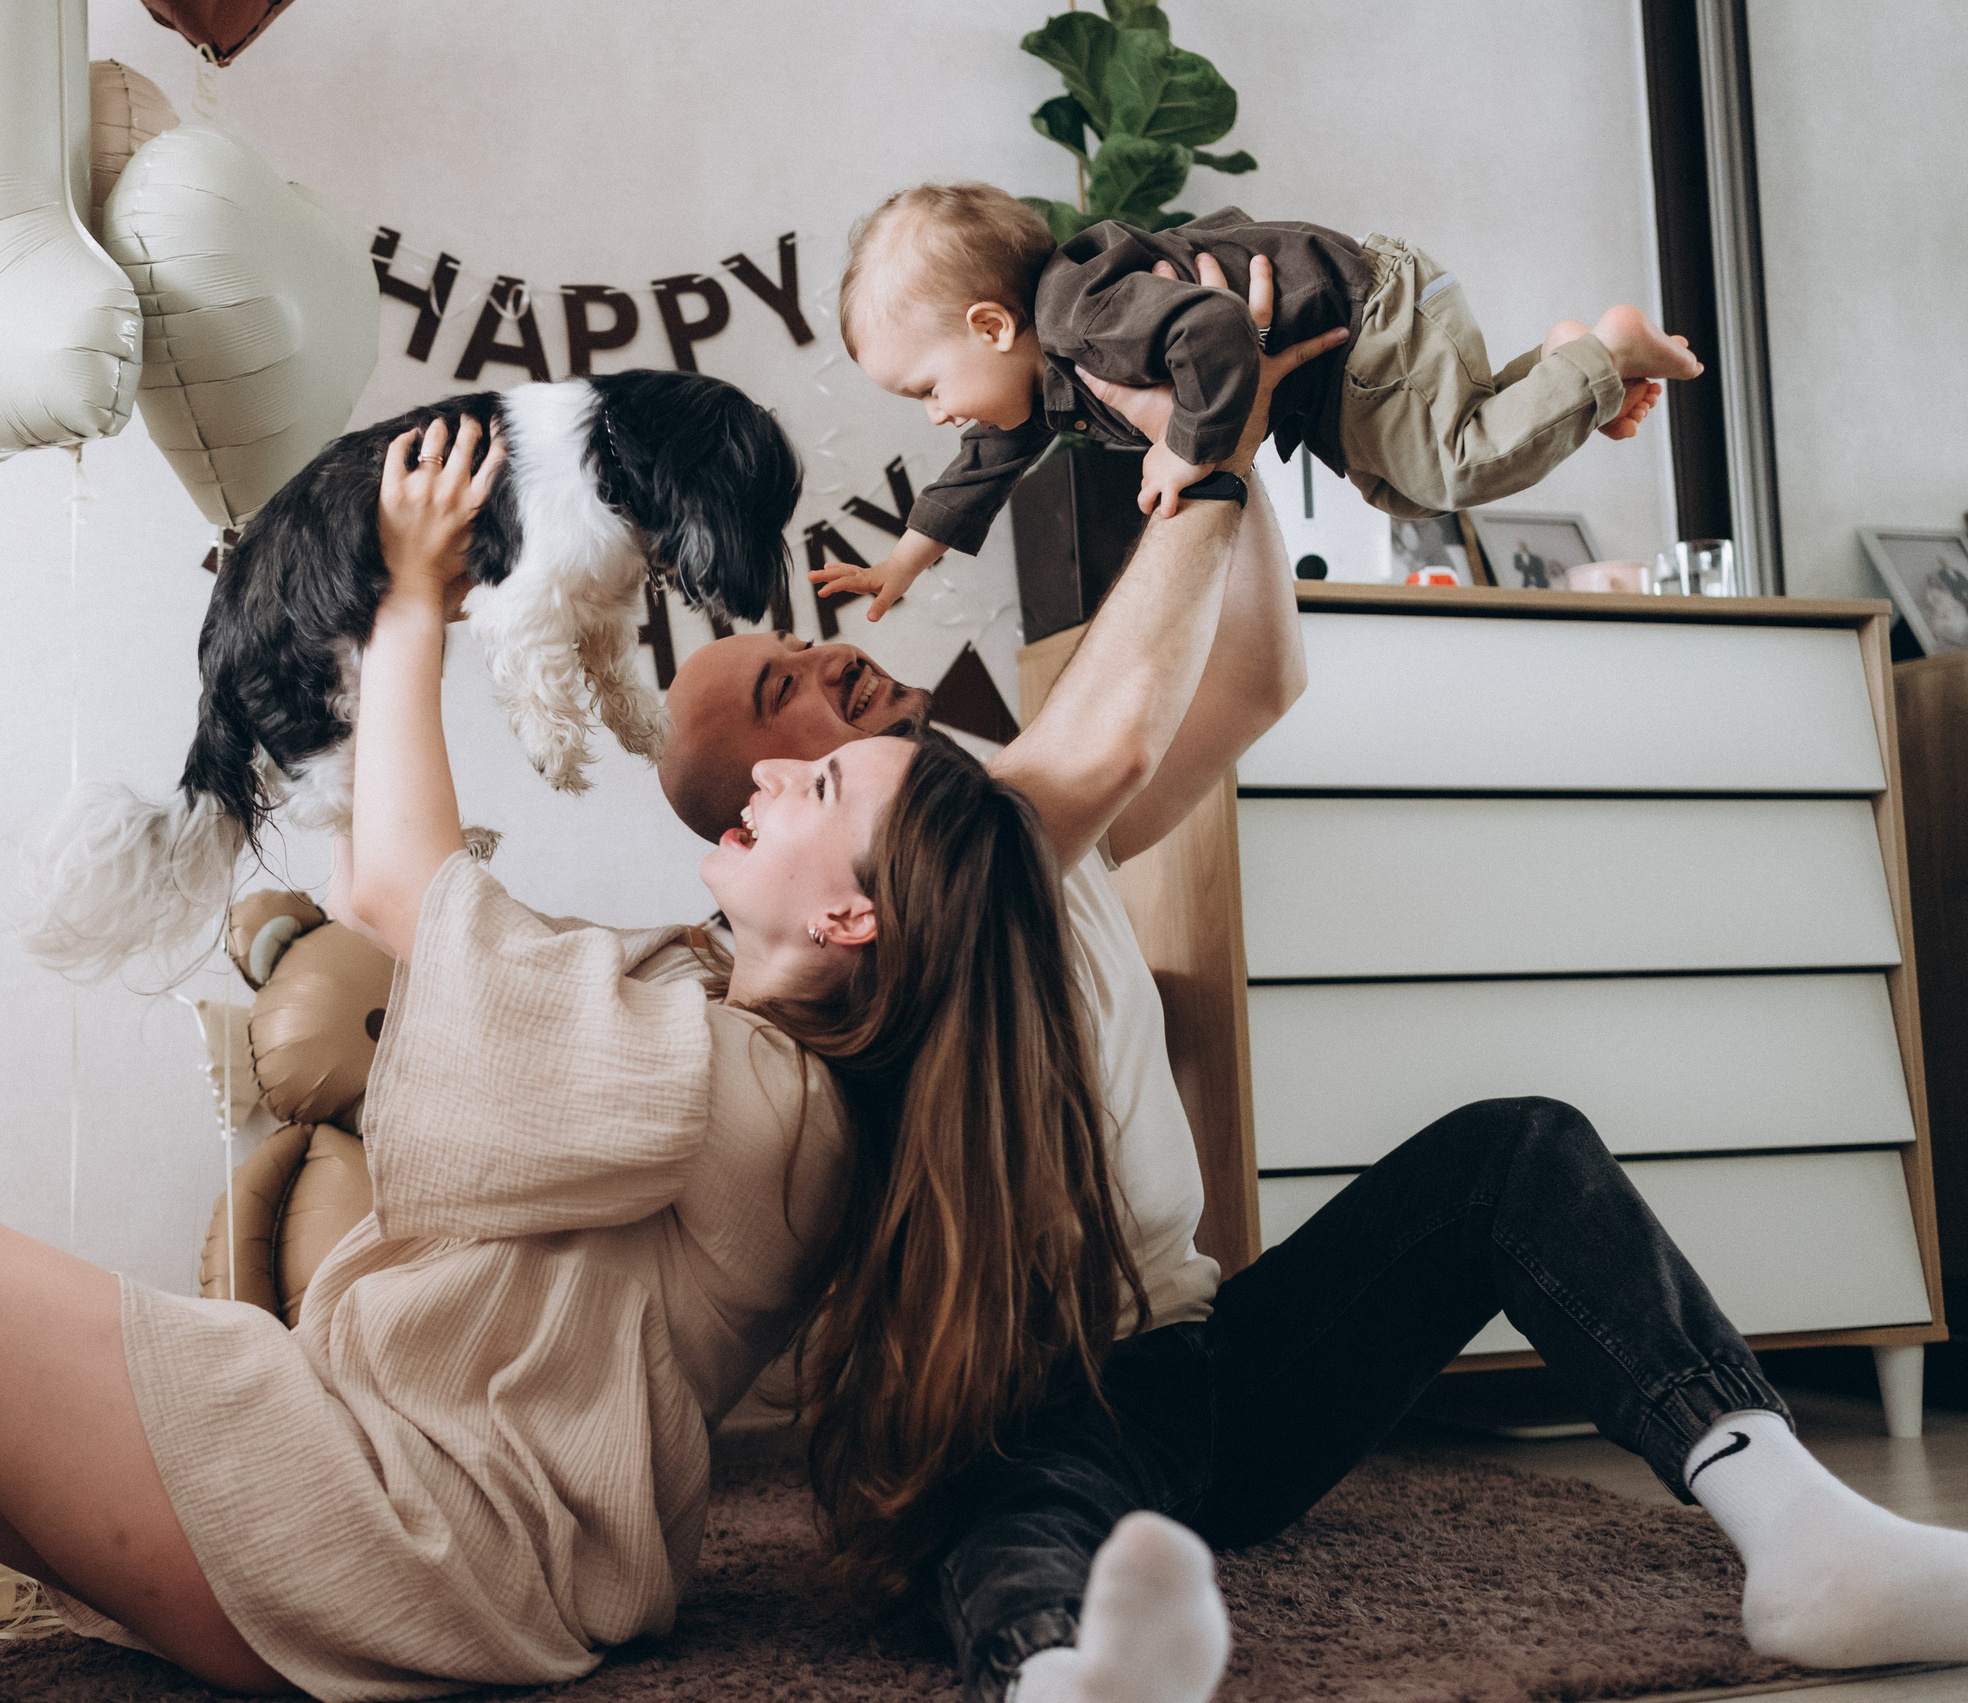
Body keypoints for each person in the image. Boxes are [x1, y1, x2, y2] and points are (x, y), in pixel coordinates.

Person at [0, 417, 1125, 1700]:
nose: (780, 766)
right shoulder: (734, 1041)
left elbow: (412, 890)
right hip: (403, 1489)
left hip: (411, 1533)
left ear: (857, 908)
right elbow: (447, 914)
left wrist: (409, 600)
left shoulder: (745, 1094)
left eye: (824, 781)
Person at [659, 265, 1968, 1703]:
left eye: (796, 643)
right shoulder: (905, 901)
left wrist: (1255, 418)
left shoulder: (1008, 812)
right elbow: (1098, 747)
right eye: (783, 693)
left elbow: (1256, 677)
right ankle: (1060, 1675)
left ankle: (1803, 1529)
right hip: (1031, 1406)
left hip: (1203, 1370)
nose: (827, 655)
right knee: (1012, 1518)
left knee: (1514, 1148)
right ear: (768, 829)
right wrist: (1208, 413)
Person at [810, 182, 1699, 621]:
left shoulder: (1082, 321)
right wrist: (908, 559)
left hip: (1361, 316)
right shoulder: (1047, 361)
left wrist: (1186, 449)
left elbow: (1218, 332)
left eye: (927, 388)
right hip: (1356, 344)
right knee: (1405, 488)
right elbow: (988, 457)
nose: (938, 414)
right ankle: (1556, 368)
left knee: (1446, 469)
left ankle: (1605, 353)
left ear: (992, 325)